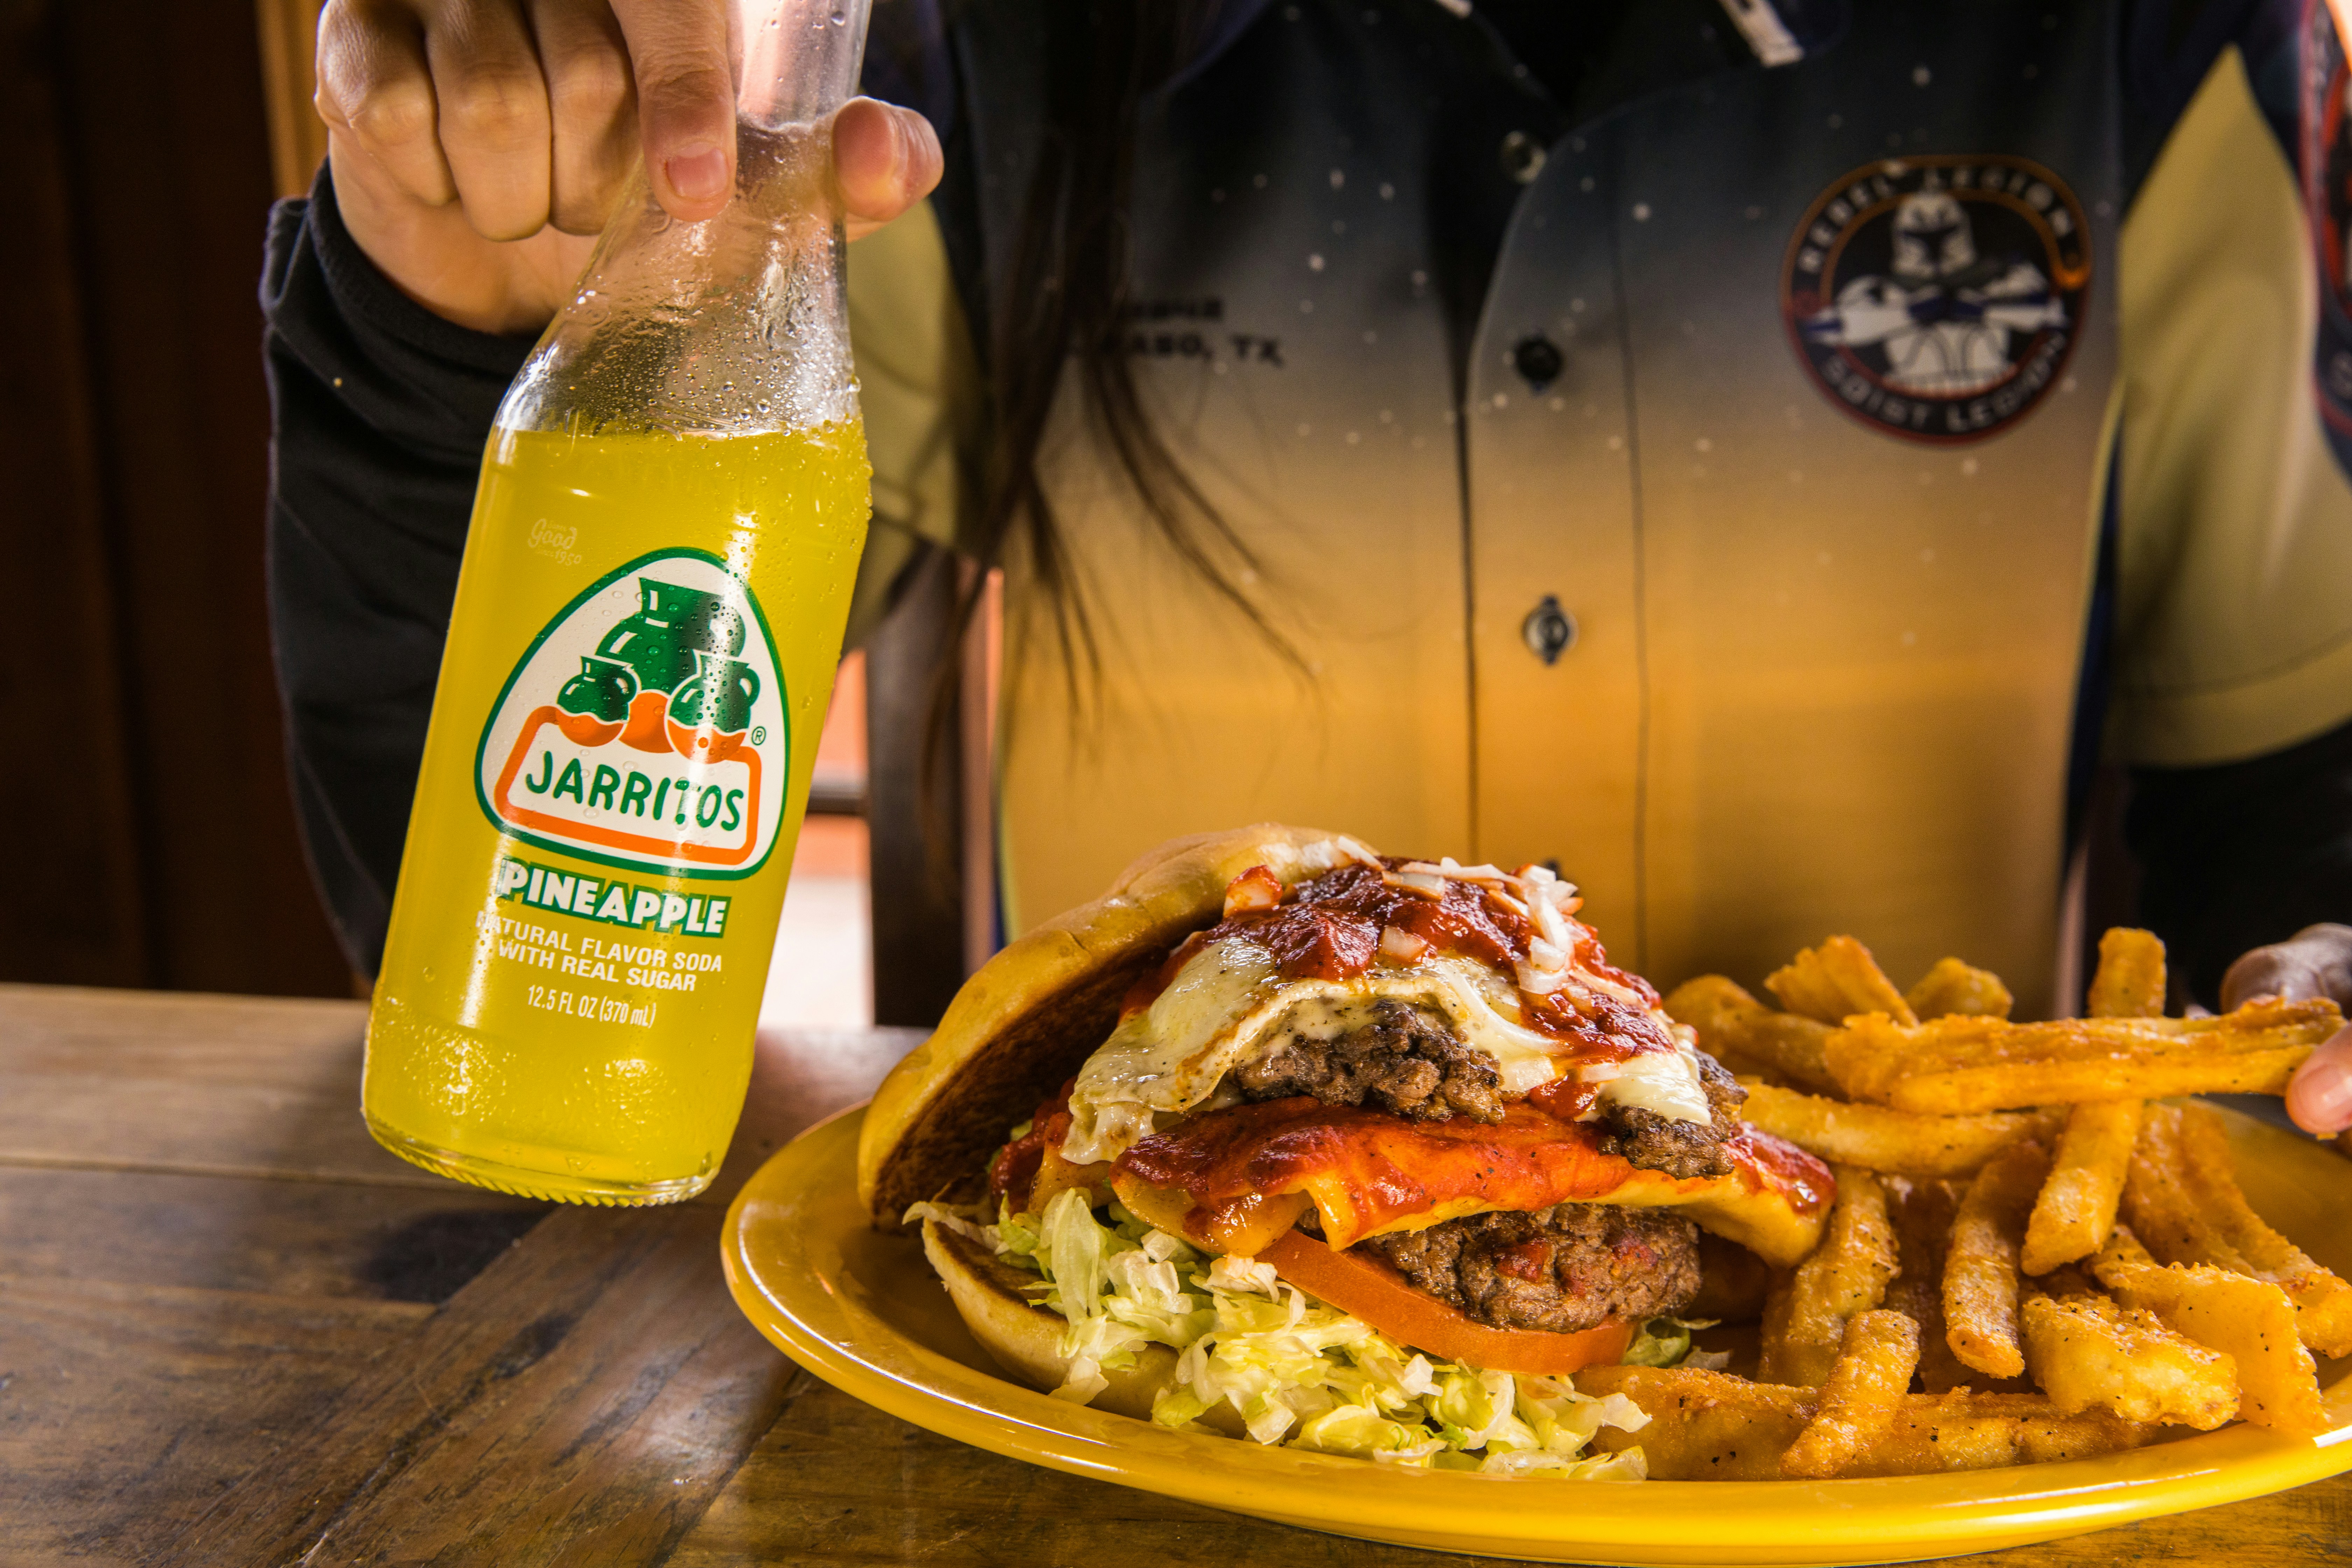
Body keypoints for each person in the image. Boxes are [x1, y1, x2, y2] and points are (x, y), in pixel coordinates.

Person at [261, 0, 2352, 1129]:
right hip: (1131, 1390)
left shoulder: (2163, 53)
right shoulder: (931, 58)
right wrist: (455, 325)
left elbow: (2297, 815)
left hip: (1885, 1433)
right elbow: (524, 951)